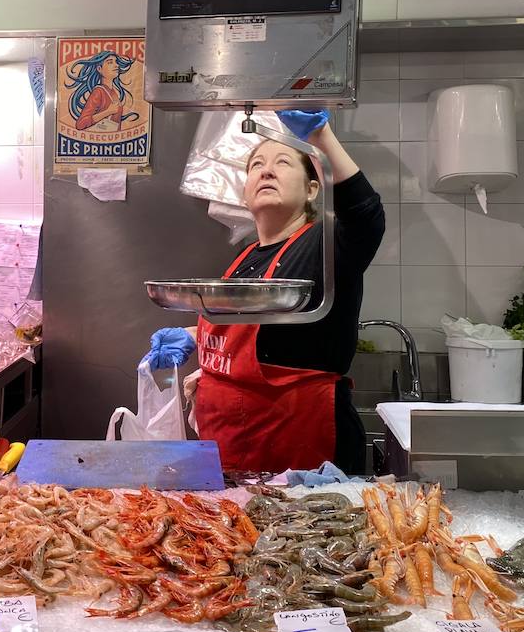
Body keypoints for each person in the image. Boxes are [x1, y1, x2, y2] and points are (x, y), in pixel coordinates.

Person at [146, 114, 384, 474]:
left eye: (283, 163)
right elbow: (263, 335)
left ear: (312, 189)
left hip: (304, 455)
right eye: (256, 165)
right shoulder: (243, 260)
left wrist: (321, 137)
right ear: (244, 192)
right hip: (233, 454)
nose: (266, 171)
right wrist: (195, 336)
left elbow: (366, 217)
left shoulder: (325, 244)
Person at [66, 50, 140, 132]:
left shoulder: (113, 92)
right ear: (99, 69)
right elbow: (80, 124)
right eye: (110, 62)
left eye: (116, 62)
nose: (116, 65)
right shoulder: (98, 92)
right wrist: (108, 112)